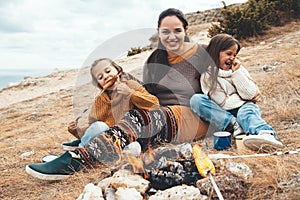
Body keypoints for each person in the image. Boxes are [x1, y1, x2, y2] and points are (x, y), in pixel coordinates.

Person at [25, 8, 209, 181]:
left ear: (186, 29)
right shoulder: (155, 59)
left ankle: (76, 158)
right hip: (160, 118)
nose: (171, 37)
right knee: (128, 101)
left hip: (190, 118)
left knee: (140, 117)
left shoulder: (202, 53)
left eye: (177, 30)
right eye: (165, 32)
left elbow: (225, 83)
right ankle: (89, 140)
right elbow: (149, 94)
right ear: (159, 33)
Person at [190, 33, 284, 151]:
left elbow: (250, 94)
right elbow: (223, 103)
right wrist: (245, 97)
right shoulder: (207, 76)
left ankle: (266, 134)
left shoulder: (238, 69)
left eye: (234, 55)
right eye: (229, 54)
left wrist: (236, 74)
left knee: (246, 112)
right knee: (196, 100)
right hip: (224, 115)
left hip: (244, 108)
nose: (232, 58)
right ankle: (236, 125)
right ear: (216, 53)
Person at [62, 58, 159, 150]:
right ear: (99, 84)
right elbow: (93, 130)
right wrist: (76, 131)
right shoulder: (99, 101)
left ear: (117, 70)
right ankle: (81, 149)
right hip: (107, 139)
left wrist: (130, 93)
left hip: (129, 137)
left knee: (135, 147)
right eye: (100, 77)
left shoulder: (130, 85)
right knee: (100, 126)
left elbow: (154, 104)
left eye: (108, 71)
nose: (106, 76)